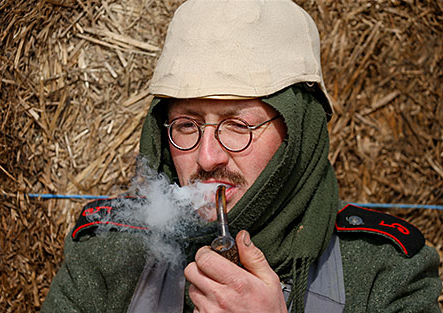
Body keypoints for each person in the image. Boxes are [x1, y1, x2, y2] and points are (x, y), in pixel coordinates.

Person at [41, 0, 442, 312]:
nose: (208, 156)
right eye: (186, 125)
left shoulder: (385, 273)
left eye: (238, 125)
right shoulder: (107, 256)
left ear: (298, 134)